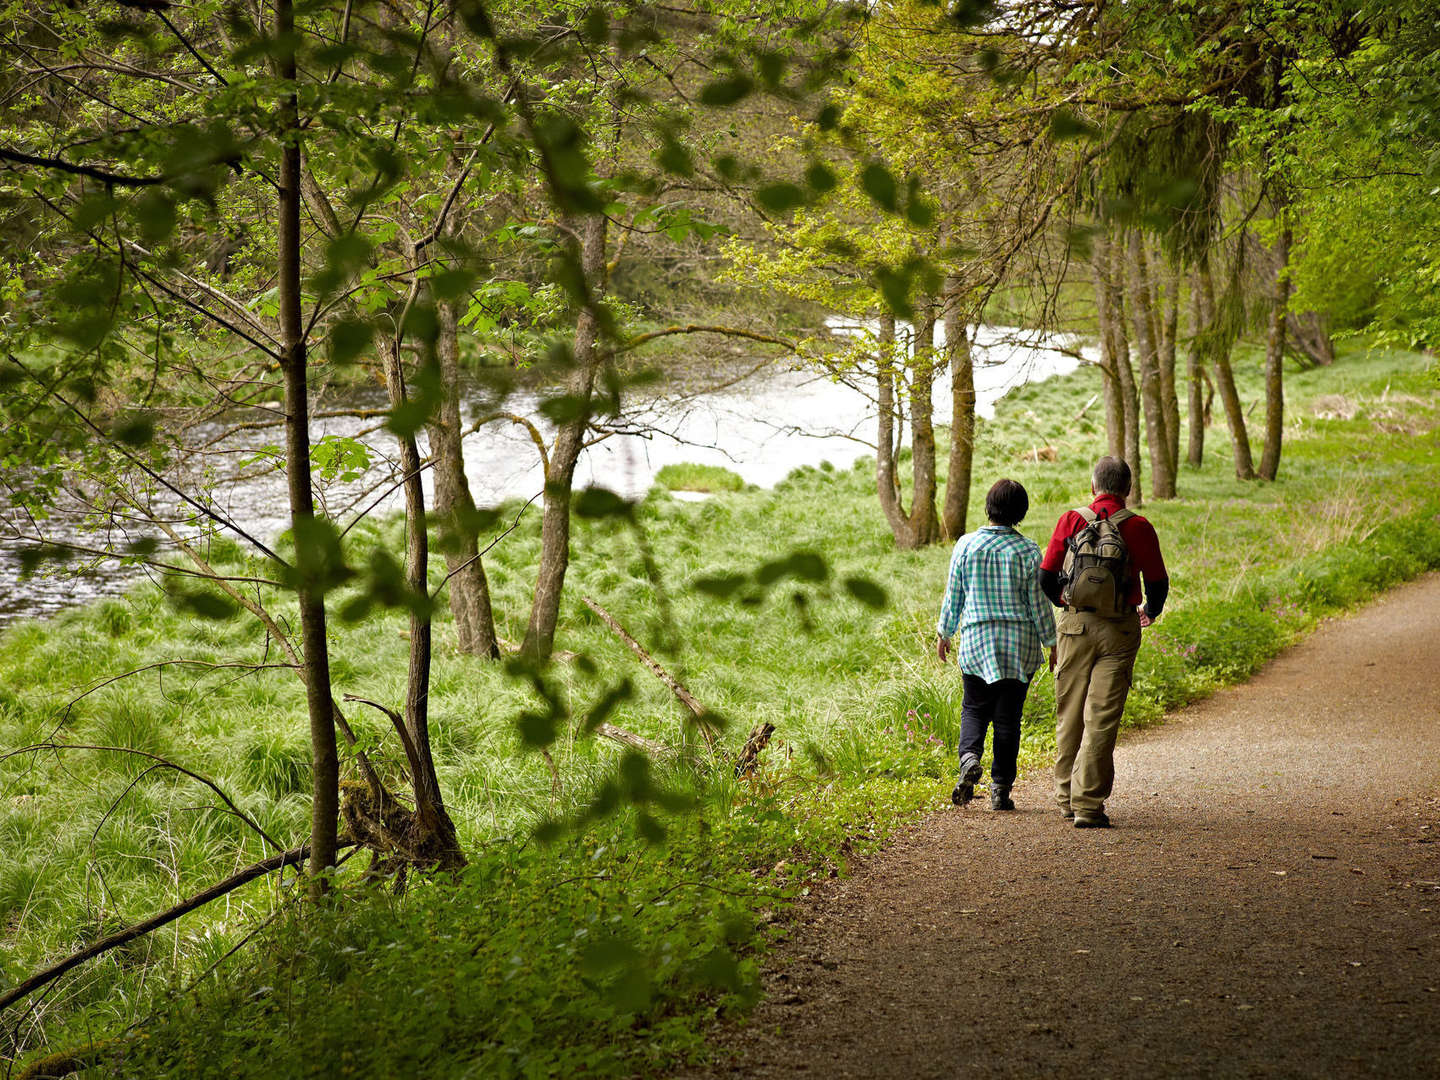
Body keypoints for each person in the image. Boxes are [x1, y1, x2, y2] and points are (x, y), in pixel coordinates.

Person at [1039, 456, 1169, 829]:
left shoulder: (1072, 519)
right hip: (1119, 629)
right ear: (1127, 489)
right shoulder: (1139, 526)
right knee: (1101, 718)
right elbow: (1158, 581)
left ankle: (1065, 798)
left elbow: (1047, 575)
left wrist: (1065, 602)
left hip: (1075, 626)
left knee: (1070, 713)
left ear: (1093, 485)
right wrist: (1150, 610)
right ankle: (1088, 805)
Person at [936, 478, 1057, 811]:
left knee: (974, 707)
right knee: (1008, 720)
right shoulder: (1028, 550)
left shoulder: (966, 545)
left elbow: (954, 595)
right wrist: (1052, 642)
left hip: (976, 641)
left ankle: (969, 759)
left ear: (988, 507)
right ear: (1020, 512)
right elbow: (1038, 603)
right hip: (1018, 647)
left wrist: (944, 633)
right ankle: (1000, 789)